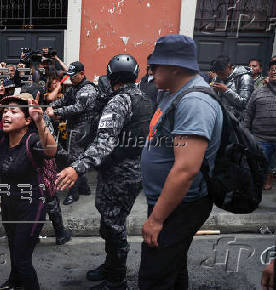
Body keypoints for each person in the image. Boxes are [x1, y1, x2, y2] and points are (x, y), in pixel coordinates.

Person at [56, 54, 153, 290]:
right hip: (133, 169)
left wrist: (76, 168)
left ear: (112, 76)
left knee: (113, 226)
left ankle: (117, 279)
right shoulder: (143, 98)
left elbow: (105, 143)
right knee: (110, 222)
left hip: (120, 172)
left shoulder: (120, 102)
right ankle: (110, 267)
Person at [138, 34, 223, 289]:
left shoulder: (194, 102)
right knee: (172, 268)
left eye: (154, 67)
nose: (150, 72)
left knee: (155, 276)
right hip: (168, 203)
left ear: (174, 68)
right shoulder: (173, 92)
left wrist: (156, 220)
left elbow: (186, 169)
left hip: (180, 206)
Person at [0, 93, 57, 290]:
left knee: (22, 258)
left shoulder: (32, 140)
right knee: (15, 249)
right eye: (5, 111)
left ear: (26, 120)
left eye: (13, 111)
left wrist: (40, 120)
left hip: (32, 206)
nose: (6, 115)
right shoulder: (1, 137)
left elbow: (51, 150)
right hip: (9, 205)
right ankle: (14, 283)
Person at [47, 61, 98, 205]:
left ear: (82, 74)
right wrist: (51, 106)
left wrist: (55, 112)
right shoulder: (75, 87)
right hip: (73, 126)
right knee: (77, 157)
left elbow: (77, 107)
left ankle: (73, 193)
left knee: (73, 159)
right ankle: (84, 187)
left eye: (73, 76)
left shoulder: (88, 89)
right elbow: (64, 100)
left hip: (83, 128)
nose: (71, 79)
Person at [243, 60, 276, 190]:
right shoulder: (258, 91)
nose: (274, 71)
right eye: (272, 69)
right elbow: (248, 112)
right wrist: (245, 130)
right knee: (257, 169)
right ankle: (254, 197)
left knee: (270, 167)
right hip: (261, 139)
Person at [210, 55, 254, 119]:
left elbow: (245, 103)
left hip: (236, 120)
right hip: (219, 116)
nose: (220, 76)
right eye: (218, 73)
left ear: (230, 67)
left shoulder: (245, 77)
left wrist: (226, 90)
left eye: (222, 73)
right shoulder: (217, 78)